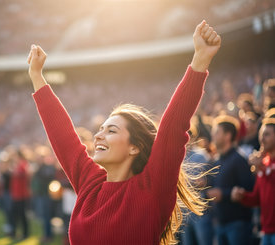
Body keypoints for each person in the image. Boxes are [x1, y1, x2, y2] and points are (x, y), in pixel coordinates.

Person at [27, 20, 220, 244]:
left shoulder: (151, 187)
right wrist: (36, 76)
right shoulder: (90, 183)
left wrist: (200, 60)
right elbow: (63, 137)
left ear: (134, 147)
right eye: (100, 129)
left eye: (111, 130)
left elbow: (173, 126)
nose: (98, 135)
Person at [207, 115, 255, 245]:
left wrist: (224, 194)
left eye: (217, 132)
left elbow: (248, 190)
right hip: (219, 224)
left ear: (228, 136)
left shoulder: (239, 159)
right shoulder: (215, 161)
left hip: (237, 224)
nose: (213, 135)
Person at [232, 117, 275, 245]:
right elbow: (257, 198)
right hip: (266, 232)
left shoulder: (263, 165)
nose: (262, 139)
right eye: (261, 134)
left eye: (267, 134)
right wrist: (242, 196)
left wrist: (261, 167)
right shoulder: (264, 163)